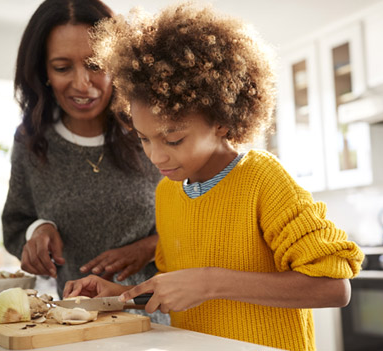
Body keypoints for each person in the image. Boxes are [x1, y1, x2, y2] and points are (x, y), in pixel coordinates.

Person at [63, 3, 364, 351]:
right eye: (144, 139)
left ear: (221, 120)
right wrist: (122, 297)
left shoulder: (263, 179)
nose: (156, 156)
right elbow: (185, 293)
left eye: (173, 139)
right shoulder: (168, 193)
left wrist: (211, 282)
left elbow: (334, 288)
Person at [1, 0, 169, 324]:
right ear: (44, 72)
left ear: (117, 64)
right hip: (75, 325)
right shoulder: (32, 142)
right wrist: (39, 230)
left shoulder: (150, 133)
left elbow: (196, 224)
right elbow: (15, 224)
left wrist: (149, 247)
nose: (81, 84)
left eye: (95, 64)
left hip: (155, 325)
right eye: (63, 67)